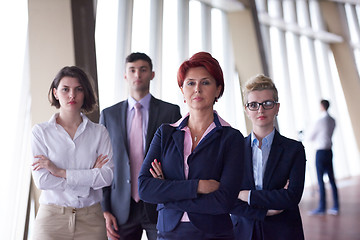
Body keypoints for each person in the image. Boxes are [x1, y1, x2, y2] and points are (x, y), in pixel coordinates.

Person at [138, 52, 245, 240]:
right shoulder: (165, 133)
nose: (197, 89)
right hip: (168, 234)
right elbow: (145, 188)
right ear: (182, 90)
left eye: (205, 82)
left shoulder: (232, 138)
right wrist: (198, 186)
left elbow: (224, 201)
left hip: (214, 234)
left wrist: (167, 195)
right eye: (190, 83)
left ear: (218, 90)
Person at [100, 52, 181, 240]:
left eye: (143, 70)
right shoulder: (108, 115)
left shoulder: (170, 112)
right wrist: (105, 209)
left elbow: (178, 158)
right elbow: (102, 163)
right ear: (125, 75)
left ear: (152, 74)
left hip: (158, 202)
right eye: (132, 70)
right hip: (120, 207)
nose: (138, 75)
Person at [31, 66, 114, 240]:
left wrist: (60, 172)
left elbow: (106, 177)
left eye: (78, 89)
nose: (72, 95)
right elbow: (43, 180)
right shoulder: (40, 132)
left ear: (85, 93)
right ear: (55, 93)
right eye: (65, 89)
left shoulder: (99, 132)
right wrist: (88, 179)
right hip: (51, 220)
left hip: (91, 220)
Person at [231, 74, 306, 240]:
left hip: (283, 231)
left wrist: (246, 195)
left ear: (277, 107)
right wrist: (266, 210)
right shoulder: (233, 149)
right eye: (253, 105)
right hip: (242, 231)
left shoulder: (294, 149)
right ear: (246, 109)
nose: (260, 110)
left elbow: (292, 197)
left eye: (267, 103)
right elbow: (228, 198)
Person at [308, 99, 339, 216]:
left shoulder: (320, 120)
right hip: (329, 151)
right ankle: (336, 206)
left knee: (321, 181)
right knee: (332, 179)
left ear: (322, 106)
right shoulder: (333, 120)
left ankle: (322, 207)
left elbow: (310, 137)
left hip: (320, 152)